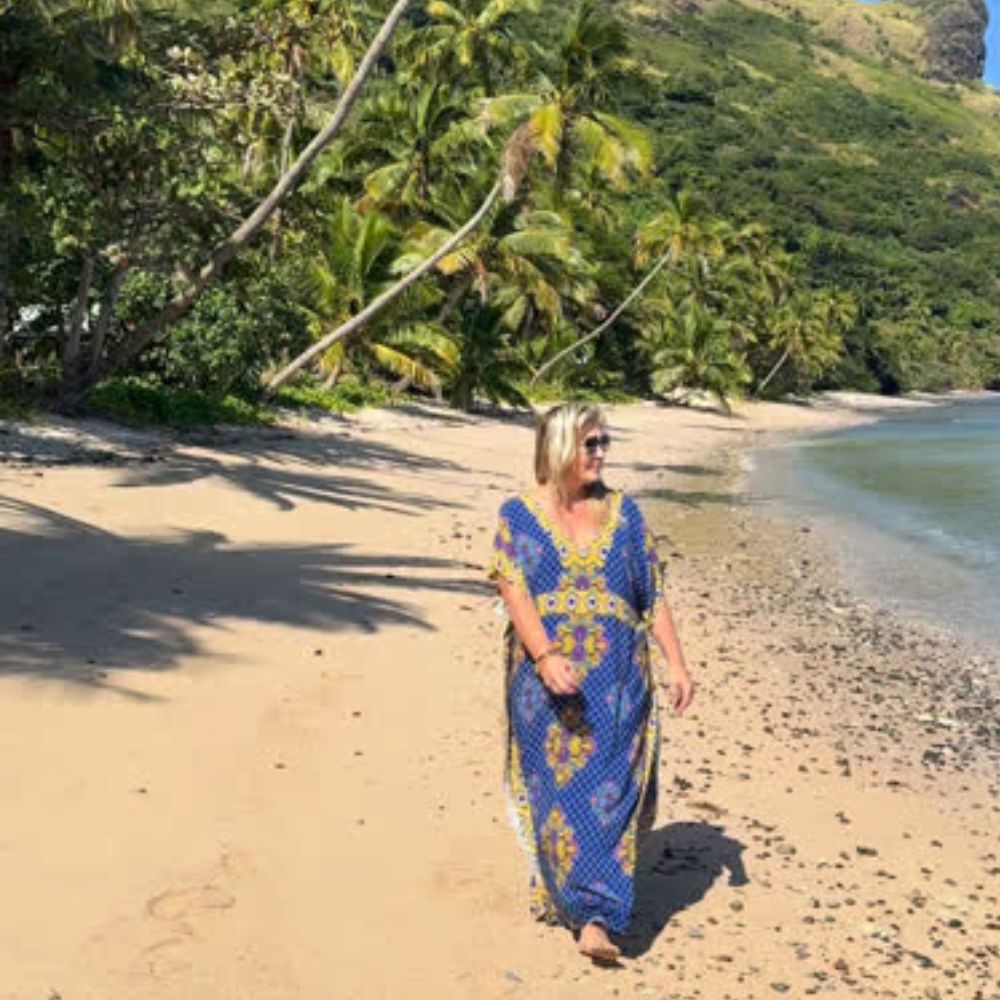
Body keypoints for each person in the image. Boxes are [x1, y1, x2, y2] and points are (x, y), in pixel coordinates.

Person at [489, 402, 693, 963]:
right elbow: (513, 589)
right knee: (553, 790)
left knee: (608, 792)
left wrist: (677, 663)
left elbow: (652, 595)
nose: (601, 453)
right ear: (558, 448)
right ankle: (562, 890)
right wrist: (546, 654)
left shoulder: (626, 516)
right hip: (543, 682)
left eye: (605, 443)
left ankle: (595, 917)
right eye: (591, 444)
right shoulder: (517, 515)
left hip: (620, 679)